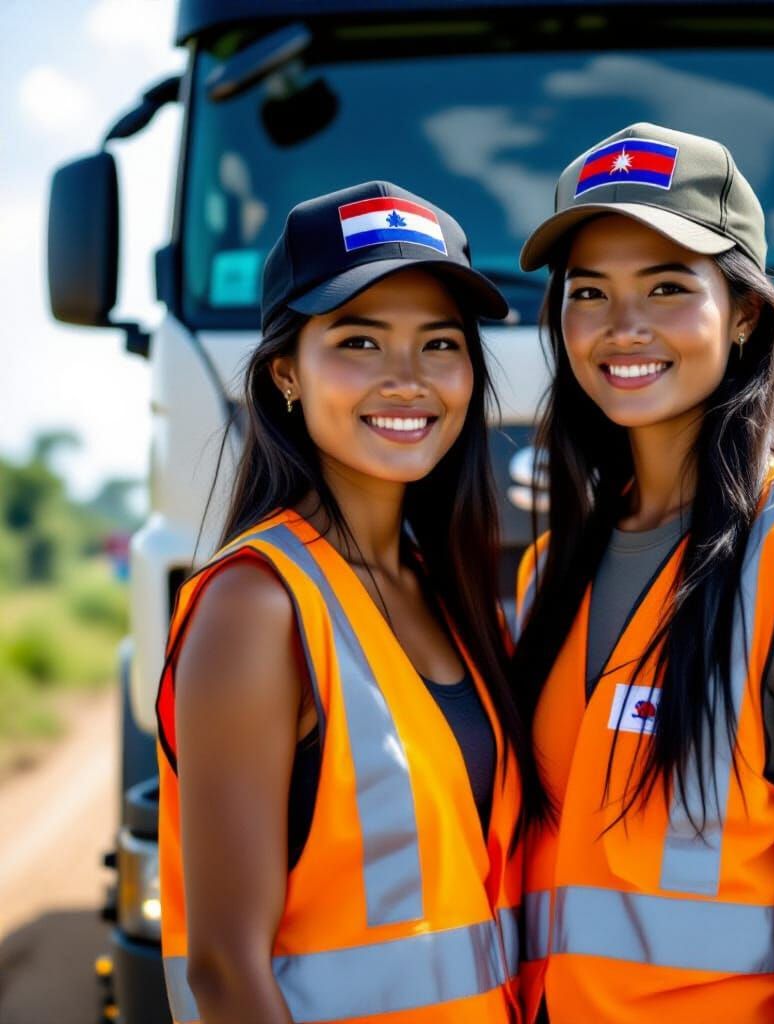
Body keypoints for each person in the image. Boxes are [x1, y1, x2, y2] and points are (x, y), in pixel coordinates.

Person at [513, 125, 774, 1024]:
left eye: (666, 287)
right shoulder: (549, 573)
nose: (624, 326)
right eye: (589, 292)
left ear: (744, 314)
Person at [155, 182, 527, 1024]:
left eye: (440, 344)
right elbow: (223, 970)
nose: (407, 379)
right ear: (287, 371)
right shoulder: (258, 607)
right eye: (359, 341)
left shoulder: (449, 593)